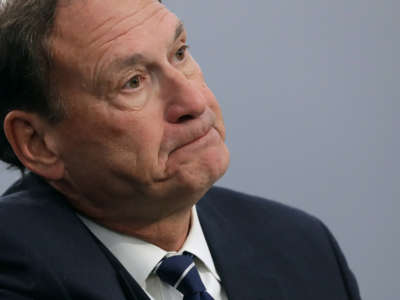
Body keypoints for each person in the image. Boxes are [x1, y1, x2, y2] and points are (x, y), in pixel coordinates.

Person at [0, 0, 361, 299]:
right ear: (39, 143)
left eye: (180, 53)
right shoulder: (14, 270)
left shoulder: (303, 248)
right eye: (133, 82)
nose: (193, 101)